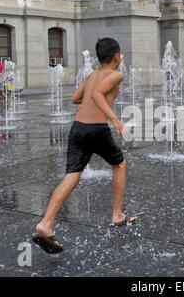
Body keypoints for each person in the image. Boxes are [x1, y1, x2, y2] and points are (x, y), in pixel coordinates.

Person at [33, 38, 137, 254]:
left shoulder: (92, 75)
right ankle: (117, 215)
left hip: (77, 129)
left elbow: (76, 98)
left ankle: (46, 223)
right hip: (96, 130)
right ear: (117, 56)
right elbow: (98, 94)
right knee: (119, 165)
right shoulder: (116, 74)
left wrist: (97, 98)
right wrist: (115, 119)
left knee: (72, 176)